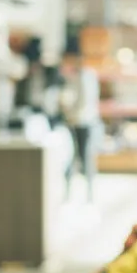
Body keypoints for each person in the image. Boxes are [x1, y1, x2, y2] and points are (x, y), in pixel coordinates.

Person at [61, 53, 101, 202]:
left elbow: (83, 103)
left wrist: (70, 112)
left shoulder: (85, 77)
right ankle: (71, 193)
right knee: (73, 156)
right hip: (77, 122)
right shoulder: (76, 76)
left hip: (83, 122)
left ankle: (88, 194)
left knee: (84, 157)